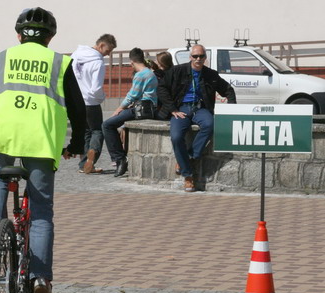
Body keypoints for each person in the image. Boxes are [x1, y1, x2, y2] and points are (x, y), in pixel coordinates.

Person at [0, 7, 86, 293]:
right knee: (40, 214)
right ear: (50, 37)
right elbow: (78, 109)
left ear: (19, 35)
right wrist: (76, 144)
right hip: (41, 140)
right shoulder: (60, 62)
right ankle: (40, 281)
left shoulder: (0, 59)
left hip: (5, 135)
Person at [157, 44, 236, 192]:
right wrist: (172, 108)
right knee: (176, 136)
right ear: (190, 57)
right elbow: (161, 88)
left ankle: (187, 158)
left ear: (205, 57)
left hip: (201, 108)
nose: (198, 59)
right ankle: (188, 176)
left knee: (209, 125)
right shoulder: (177, 71)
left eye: (201, 56)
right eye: (195, 56)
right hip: (182, 109)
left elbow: (228, 90)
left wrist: (232, 110)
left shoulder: (210, 74)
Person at [102, 47, 158, 177]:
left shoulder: (141, 75)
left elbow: (132, 95)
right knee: (119, 126)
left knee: (107, 125)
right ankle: (120, 158)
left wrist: (119, 109)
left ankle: (119, 159)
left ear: (131, 62)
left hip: (140, 109)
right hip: (149, 108)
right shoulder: (150, 72)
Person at [70, 34, 117, 174]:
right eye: (108, 51)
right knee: (97, 131)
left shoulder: (76, 55)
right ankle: (91, 157)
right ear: (101, 45)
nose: (108, 55)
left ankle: (83, 164)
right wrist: (102, 97)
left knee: (86, 131)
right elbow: (96, 88)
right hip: (91, 102)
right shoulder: (98, 62)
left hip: (77, 101)